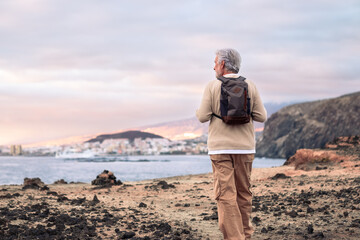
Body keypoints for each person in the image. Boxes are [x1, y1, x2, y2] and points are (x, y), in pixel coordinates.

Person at [196, 48, 267, 240]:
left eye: (215, 62)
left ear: (222, 65)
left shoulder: (212, 86)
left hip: (220, 148)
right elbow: (262, 116)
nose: (213, 66)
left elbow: (202, 116)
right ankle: (245, 234)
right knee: (244, 192)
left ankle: (235, 238)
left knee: (226, 194)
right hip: (245, 147)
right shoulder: (249, 85)